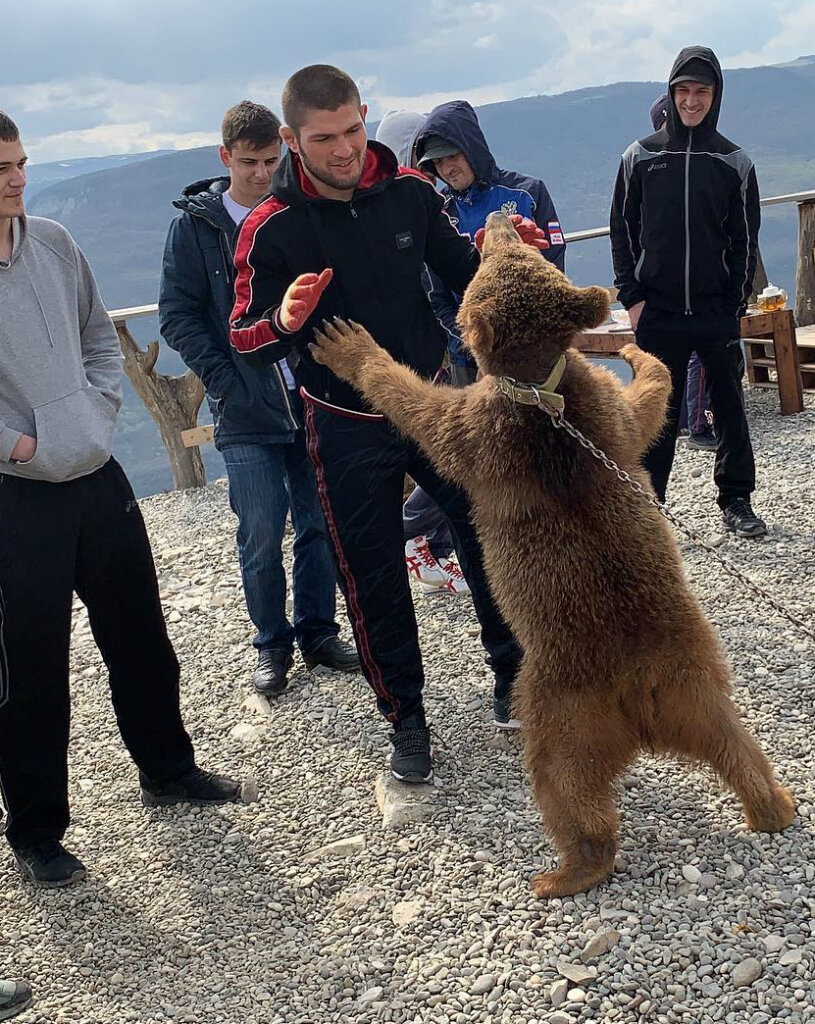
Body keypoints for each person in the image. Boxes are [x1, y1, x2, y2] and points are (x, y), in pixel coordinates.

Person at [228, 66, 547, 780]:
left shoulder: (410, 192)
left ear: (363, 117)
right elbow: (243, 338)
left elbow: (466, 272)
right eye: (322, 139)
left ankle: (514, 680)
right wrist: (284, 319)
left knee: (486, 535)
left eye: (350, 130)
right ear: (290, 140)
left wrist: (508, 254)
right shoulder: (268, 227)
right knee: (370, 574)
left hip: (434, 399)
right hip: (342, 419)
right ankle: (405, 718)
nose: (342, 149)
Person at [0, 110, 243, 889]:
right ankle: (37, 831)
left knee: (140, 634)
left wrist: (98, 411)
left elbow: (100, 338)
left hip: (94, 477)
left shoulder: (54, 244)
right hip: (14, 496)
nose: (17, 178)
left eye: (22, 162)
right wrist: (21, 445)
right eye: (3, 167)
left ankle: (167, 769)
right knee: (31, 673)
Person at [159, 101, 358, 697]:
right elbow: (177, 316)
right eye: (249, 163)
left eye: (273, 160)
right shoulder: (194, 227)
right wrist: (226, 379)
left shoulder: (294, 210)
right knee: (261, 529)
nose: (261, 173)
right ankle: (271, 644)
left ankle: (319, 632)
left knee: (320, 523)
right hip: (244, 406)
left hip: (313, 394)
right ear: (225, 158)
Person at [610, 47, 767, 537]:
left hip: (714, 310)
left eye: (702, 91)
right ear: (671, 93)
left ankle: (737, 500)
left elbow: (745, 239)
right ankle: (647, 509)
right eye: (684, 91)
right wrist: (632, 299)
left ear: (715, 96)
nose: (692, 101)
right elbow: (622, 230)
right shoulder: (640, 157)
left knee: (730, 408)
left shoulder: (733, 162)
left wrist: (734, 304)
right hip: (656, 311)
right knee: (656, 414)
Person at [375, 109, 470, 598]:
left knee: (451, 460)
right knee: (451, 459)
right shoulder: (410, 202)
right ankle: (413, 539)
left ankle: (434, 545)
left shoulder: (423, 200)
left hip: (434, 349)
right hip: (436, 353)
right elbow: (432, 286)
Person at [415, 99, 566, 385]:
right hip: (467, 361)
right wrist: (476, 346)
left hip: (533, 353)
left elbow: (553, 272)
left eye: (452, 156)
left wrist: (520, 340)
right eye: (437, 162)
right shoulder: (438, 213)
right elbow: (436, 298)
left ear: (471, 147)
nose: (447, 169)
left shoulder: (528, 193)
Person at [649, 93, 717, 453]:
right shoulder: (659, 166)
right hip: (680, 284)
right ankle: (698, 425)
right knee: (696, 358)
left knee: (676, 357)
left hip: (674, 285)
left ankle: (674, 423)